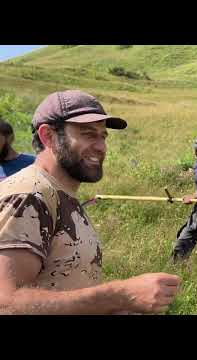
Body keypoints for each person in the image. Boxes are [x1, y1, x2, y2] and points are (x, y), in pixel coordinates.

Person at [0, 90, 181, 314]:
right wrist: (119, 295)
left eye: (102, 136)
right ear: (48, 136)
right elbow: (5, 303)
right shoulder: (29, 195)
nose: (101, 147)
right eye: (87, 134)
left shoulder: (60, 194)